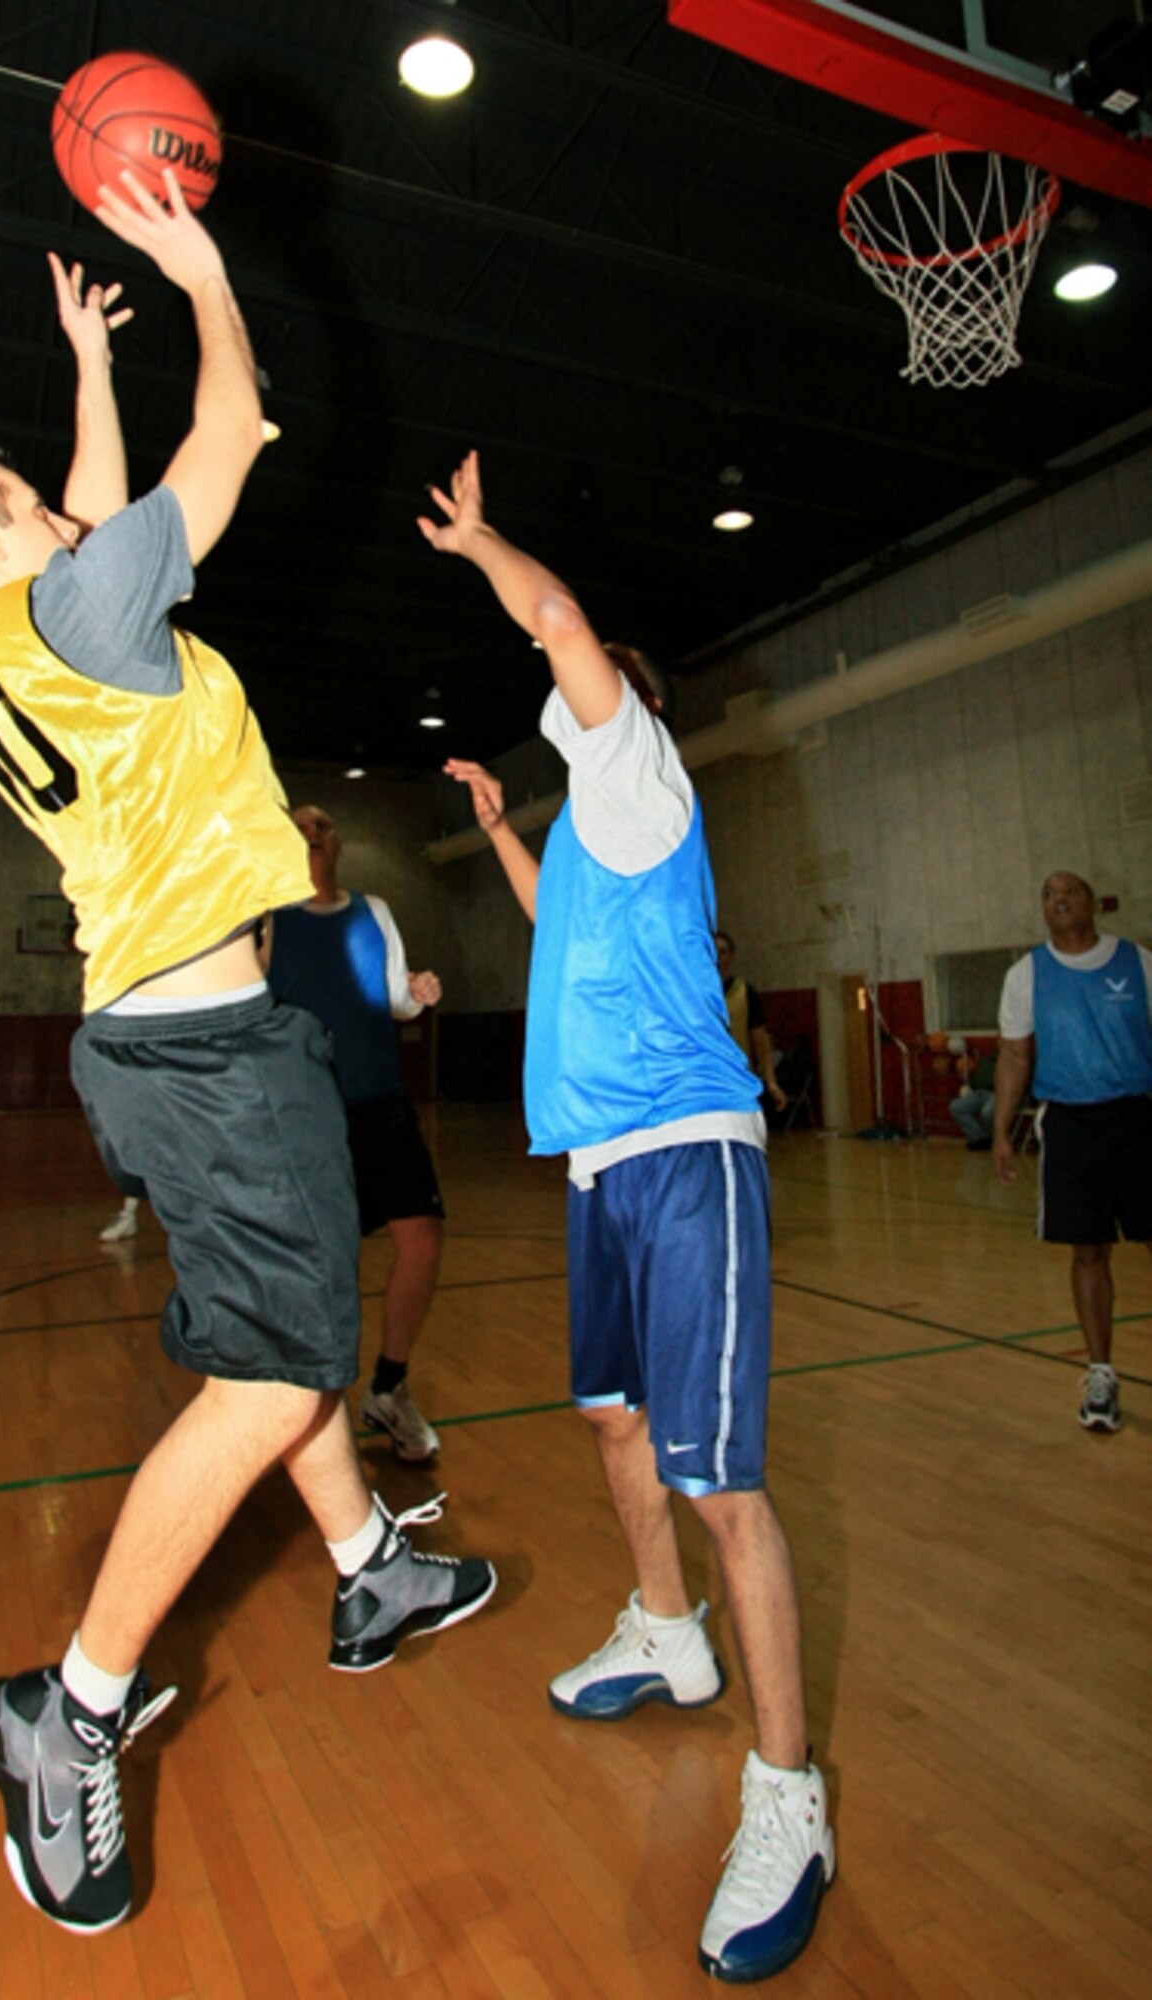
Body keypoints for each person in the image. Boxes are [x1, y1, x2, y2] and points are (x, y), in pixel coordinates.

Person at [0, 170, 494, 1936]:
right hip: (207, 1047)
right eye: (29, 501)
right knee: (276, 1372)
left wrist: (82, 359)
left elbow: (83, 508)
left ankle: (368, 1570)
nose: (68, 510)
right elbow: (231, 429)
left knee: (272, 1336)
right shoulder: (79, 608)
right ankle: (57, 1718)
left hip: (166, 1031)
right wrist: (202, 270)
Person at [421, 451, 833, 1986]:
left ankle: (789, 1797)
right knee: (609, 1422)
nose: (561, 686)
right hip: (601, 1167)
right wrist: (501, 829)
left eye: (581, 683)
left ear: (623, 705)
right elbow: (555, 922)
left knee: (722, 1480)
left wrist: (484, 551)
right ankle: (667, 1634)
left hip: (686, 1153)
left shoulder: (644, 772)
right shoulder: (600, 842)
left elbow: (565, 618)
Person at [268, 805, 447, 1463]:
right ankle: (312, 1413)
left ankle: (389, 1389)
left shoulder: (373, 909)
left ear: (338, 842)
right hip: (308, 1116)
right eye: (300, 824)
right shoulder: (267, 919)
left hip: (382, 1104)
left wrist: (414, 989)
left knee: (422, 1238)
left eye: (322, 825)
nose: (313, 832)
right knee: (325, 1265)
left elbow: (395, 998)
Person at [993, 871, 1152, 1434]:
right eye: (1047, 894)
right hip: (1070, 1123)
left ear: (1092, 902)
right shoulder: (1027, 974)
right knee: (1088, 1251)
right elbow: (1014, 1057)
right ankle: (1102, 1374)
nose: (1058, 900)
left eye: (1069, 891)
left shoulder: (1139, 962)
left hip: (1139, 1116)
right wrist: (1001, 1132)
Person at [714, 931, 788, 1116]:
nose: (717, 957)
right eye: (713, 951)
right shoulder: (694, 994)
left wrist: (770, 1082)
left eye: (722, 952)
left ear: (732, 957)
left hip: (740, 1079)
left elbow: (761, 1042)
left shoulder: (746, 993)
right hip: (708, 1081)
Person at [948, 1046, 997, 1150]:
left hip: (998, 1093)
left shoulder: (1012, 1062)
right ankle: (979, 1136)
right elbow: (974, 1074)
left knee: (987, 1112)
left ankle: (991, 1137)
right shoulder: (985, 1061)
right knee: (956, 1107)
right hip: (980, 1092)